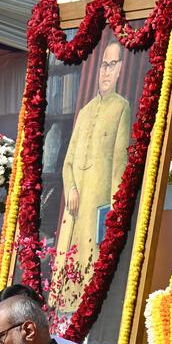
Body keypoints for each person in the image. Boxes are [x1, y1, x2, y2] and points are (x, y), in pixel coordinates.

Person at [56, 39, 131, 299]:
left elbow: (120, 166)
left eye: (113, 65)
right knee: (66, 274)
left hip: (97, 208)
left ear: (121, 69)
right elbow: (67, 162)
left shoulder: (121, 108)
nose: (107, 71)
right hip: (74, 208)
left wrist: (113, 214)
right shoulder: (86, 111)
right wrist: (72, 189)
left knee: (90, 277)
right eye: (104, 65)